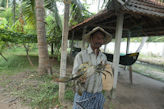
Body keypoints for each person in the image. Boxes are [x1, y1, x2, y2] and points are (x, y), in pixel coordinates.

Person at [72, 27, 113, 109]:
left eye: (102, 39)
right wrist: (80, 78)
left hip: (98, 95)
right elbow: (75, 77)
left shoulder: (103, 57)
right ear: (91, 38)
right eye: (97, 38)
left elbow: (104, 76)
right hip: (83, 95)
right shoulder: (81, 56)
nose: (100, 41)